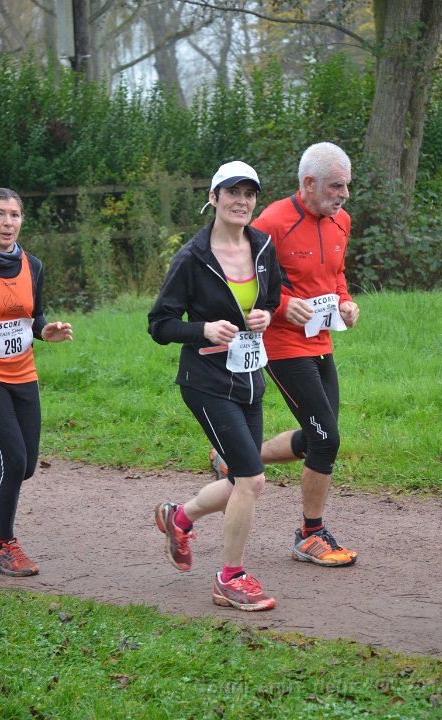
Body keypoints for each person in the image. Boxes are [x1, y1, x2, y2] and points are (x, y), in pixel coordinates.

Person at [210, 142, 360, 567]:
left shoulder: (341, 221)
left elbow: (336, 274)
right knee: (326, 438)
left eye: (347, 186)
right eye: (336, 186)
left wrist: (346, 302)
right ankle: (310, 535)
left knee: (317, 436)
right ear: (309, 183)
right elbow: (242, 279)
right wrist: (281, 305)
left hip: (321, 339)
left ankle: (232, 458)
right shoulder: (272, 222)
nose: (344, 195)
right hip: (281, 344)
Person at [148, 161, 282, 611]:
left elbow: (273, 297)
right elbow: (160, 324)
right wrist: (202, 329)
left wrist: (266, 314)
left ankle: (179, 517)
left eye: (249, 193)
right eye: (232, 192)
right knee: (252, 480)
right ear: (214, 197)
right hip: (206, 381)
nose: (241, 201)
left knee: (242, 478)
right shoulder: (192, 257)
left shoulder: (263, 247)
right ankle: (230, 577)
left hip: (250, 378)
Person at [0, 188, 73, 576]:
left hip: (24, 374)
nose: (8, 223)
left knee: (24, 467)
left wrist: (45, 331)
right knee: (13, 461)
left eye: (14, 215)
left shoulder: (33, 266)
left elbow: (34, 316)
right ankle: (3, 545)